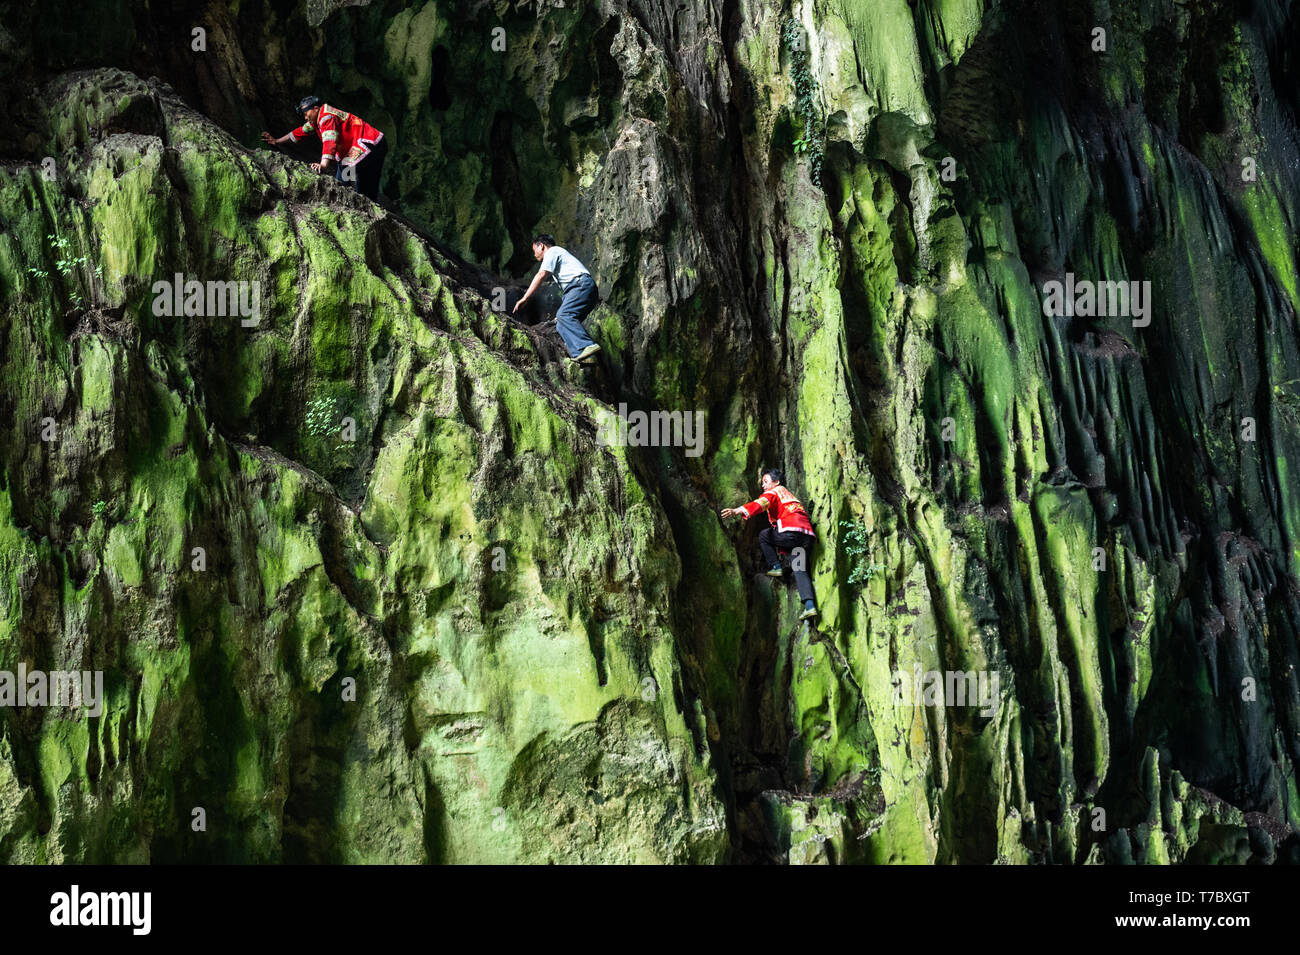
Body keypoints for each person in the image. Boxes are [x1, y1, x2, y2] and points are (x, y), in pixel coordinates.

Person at [720, 468, 818, 620]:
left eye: (766, 481)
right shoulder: (790, 496)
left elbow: (760, 504)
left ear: (776, 482)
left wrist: (737, 510)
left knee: (764, 535)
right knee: (799, 569)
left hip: (791, 532)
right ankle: (810, 606)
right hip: (805, 537)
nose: (763, 486)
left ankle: (776, 567)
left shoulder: (775, 491)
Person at [261, 95, 388, 200]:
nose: (305, 118)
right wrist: (277, 141)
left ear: (316, 109)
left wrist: (323, 165)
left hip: (370, 144)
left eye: (306, 114)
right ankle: (362, 204)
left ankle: (356, 204)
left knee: (349, 177)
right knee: (358, 184)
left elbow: (329, 140)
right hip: (370, 146)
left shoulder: (326, 117)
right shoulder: (317, 120)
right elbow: (300, 131)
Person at [513, 235, 601, 361]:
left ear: (541, 246)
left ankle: (587, 345)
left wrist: (525, 298)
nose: (534, 255)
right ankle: (583, 356)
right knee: (561, 324)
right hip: (585, 289)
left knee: (564, 315)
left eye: (534, 251)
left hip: (580, 284)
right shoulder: (560, 257)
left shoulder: (553, 251)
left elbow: (541, 274)